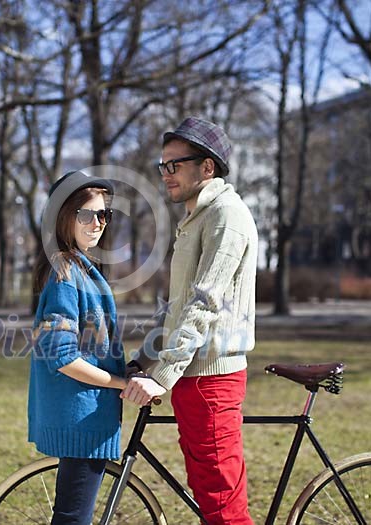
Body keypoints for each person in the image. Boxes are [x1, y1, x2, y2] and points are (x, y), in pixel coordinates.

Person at [121, 117, 258, 525]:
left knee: (223, 509)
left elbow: (203, 304)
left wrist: (160, 376)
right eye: (162, 166)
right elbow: (176, 307)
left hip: (211, 381)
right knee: (208, 496)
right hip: (191, 377)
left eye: (174, 165)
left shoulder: (226, 217)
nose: (166, 175)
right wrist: (143, 362)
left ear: (208, 167)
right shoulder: (197, 217)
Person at [28, 170, 127, 525]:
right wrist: (121, 384)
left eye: (104, 214)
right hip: (82, 420)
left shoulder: (79, 269)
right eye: (86, 214)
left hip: (87, 418)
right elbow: (63, 356)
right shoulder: (66, 273)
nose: (98, 222)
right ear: (62, 218)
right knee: (73, 520)